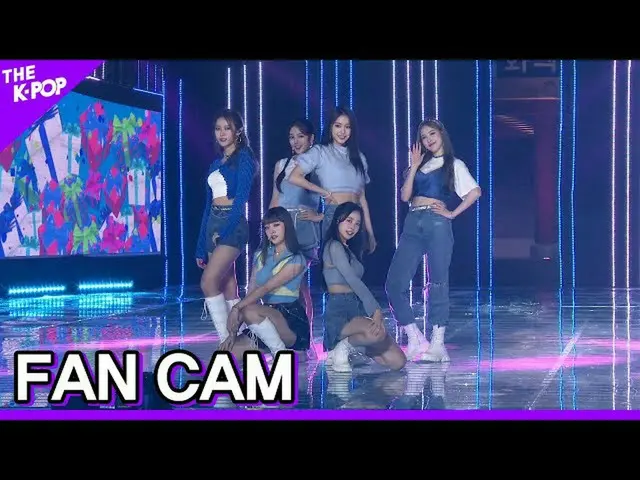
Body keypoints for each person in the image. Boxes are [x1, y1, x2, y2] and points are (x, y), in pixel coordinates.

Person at [385, 118, 481, 362]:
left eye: (432, 134)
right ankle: (415, 337)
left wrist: (452, 213)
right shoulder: (419, 165)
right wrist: (414, 166)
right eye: (424, 137)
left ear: (441, 134)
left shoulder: (453, 164)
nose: (428, 140)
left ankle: (438, 344)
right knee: (394, 283)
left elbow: (474, 192)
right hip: (412, 222)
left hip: (437, 223)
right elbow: (405, 196)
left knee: (438, 282)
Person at [196, 109, 258, 345]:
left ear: (238, 132)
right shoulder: (215, 164)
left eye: (227, 128)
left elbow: (240, 201)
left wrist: (224, 232)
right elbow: (206, 207)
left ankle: (226, 341)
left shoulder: (244, 159)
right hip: (213, 221)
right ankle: (245, 338)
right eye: (218, 129)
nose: (222, 133)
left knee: (208, 282)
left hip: (232, 224)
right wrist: (200, 246)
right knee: (227, 284)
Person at [322, 201, 406, 373]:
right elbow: (352, 280)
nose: (352, 227)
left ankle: (351, 349)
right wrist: (375, 309)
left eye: (357, 223)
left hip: (356, 307)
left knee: (398, 361)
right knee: (377, 333)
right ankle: (341, 348)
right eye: (349, 220)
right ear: (338, 219)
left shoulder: (349, 249)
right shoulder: (334, 246)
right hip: (339, 311)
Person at [218, 207, 311, 361]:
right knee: (225, 353)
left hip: (290, 319)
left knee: (249, 311)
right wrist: (232, 335)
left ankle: (280, 353)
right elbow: (251, 294)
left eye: (276, 225)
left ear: (287, 226)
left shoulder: (296, 259)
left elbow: (266, 287)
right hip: (262, 318)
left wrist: (236, 308)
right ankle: (274, 348)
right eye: (267, 227)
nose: (271, 231)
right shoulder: (260, 255)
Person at [287, 106, 377, 253]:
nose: (342, 131)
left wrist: (370, 233)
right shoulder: (321, 151)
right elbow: (294, 177)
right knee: (334, 262)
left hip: (356, 218)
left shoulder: (359, 157)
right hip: (335, 213)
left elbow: (363, 199)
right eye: (338, 126)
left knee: (355, 263)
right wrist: (323, 192)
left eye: (347, 127)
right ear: (330, 127)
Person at [269, 118, 323, 321]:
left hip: (303, 230)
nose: (296, 141)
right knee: (284, 284)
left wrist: (320, 216)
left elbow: (337, 199)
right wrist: (268, 227)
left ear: (311, 139)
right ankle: (288, 331)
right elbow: (275, 199)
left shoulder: (319, 167)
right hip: (281, 229)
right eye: (292, 137)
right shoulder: (282, 165)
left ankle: (305, 335)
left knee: (297, 283)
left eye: (301, 136)